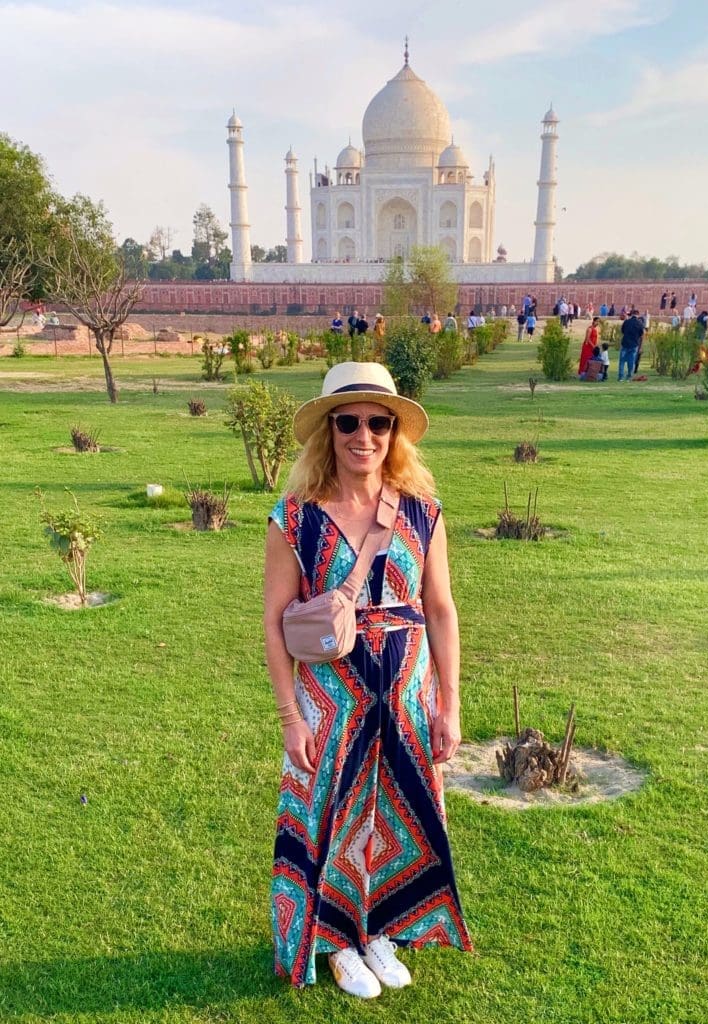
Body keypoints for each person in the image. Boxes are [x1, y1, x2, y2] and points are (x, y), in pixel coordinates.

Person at [265, 362, 473, 996]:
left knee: (395, 812)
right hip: (331, 701)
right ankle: (333, 941)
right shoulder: (294, 517)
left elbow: (440, 608)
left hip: (408, 697)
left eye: (378, 423)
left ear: (394, 432)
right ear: (327, 431)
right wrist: (290, 716)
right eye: (348, 422)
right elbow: (275, 621)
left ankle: (377, 927)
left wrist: (449, 703)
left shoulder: (421, 512)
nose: (364, 436)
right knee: (333, 810)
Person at [619, 310, 643, 381]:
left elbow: (622, 331)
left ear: (632, 314)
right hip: (634, 344)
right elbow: (641, 335)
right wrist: (640, 346)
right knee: (631, 362)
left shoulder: (626, 322)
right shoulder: (639, 323)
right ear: (638, 315)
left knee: (622, 361)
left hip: (625, 343)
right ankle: (629, 376)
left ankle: (621, 377)